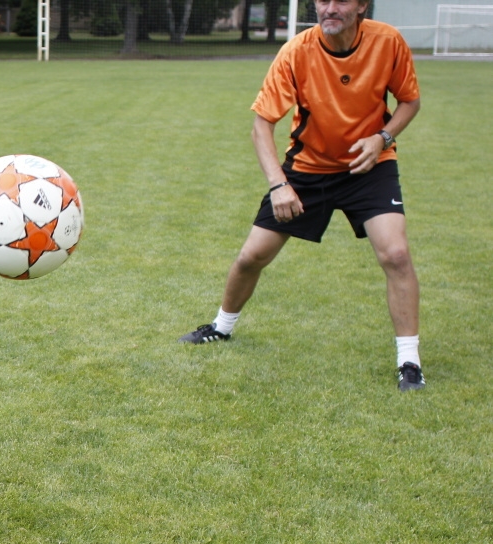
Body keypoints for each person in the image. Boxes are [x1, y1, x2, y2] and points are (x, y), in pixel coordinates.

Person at [178, 0, 425, 392]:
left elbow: (409, 101)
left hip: (370, 168)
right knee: (251, 256)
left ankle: (409, 362)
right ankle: (221, 328)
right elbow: (262, 126)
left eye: (340, 0)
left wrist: (382, 139)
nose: (329, 8)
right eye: (322, 0)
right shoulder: (296, 51)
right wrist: (279, 185)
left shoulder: (388, 42)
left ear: (361, 5)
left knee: (396, 254)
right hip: (308, 170)